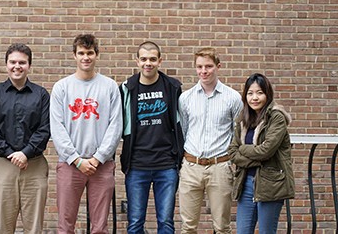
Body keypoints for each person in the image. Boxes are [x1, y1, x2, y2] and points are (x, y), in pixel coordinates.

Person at [50, 34, 123, 234]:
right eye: (81, 53)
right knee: (65, 226)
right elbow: (57, 128)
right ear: (74, 55)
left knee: (100, 227)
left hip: (102, 165)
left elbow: (115, 126)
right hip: (70, 165)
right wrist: (76, 160)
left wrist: (98, 158)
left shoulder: (109, 87)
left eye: (90, 53)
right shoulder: (62, 87)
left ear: (97, 55)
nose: (86, 57)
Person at [0, 43, 50, 233]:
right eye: (13, 62)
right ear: (6, 64)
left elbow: (45, 129)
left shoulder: (41, 95)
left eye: (22, 62)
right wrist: (12, 154)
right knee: (4, 225)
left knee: (34, 225)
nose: (17, 66)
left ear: (29, 65)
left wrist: (25, 153)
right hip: (4, 165)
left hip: (34, 165)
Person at [119, 41, 183, 234]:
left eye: (153, 59)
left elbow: (180, 123)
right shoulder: (126, 89)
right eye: (144, 59)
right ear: (137, 61)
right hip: (137, 164)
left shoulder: (172, 87)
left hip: (166, 164)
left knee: (165, 222)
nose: (148, 63)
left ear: (160, 61)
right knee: (135, 222)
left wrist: (177, 157)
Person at [178, 47, 242, 234]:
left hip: (220, 167)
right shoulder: (186, 98)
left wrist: (231, 162)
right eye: (199, 67)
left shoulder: (233, 98)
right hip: (191, 166)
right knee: (188, 227)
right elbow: (184, 131)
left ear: (218, 67)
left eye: (208, 66)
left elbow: (236, 133)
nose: (203, 71)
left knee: (222, 227)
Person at [228, 73, 294, 234]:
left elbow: (266, 151)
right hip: (246, 183)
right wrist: (254, 157)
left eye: (259, 93)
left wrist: (243, 149)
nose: (254, 98)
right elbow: (232, 151)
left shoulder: (276, 117)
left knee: (266, 232)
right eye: (250, 93)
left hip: (270, 184)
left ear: (267, 94)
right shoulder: (244, 119)